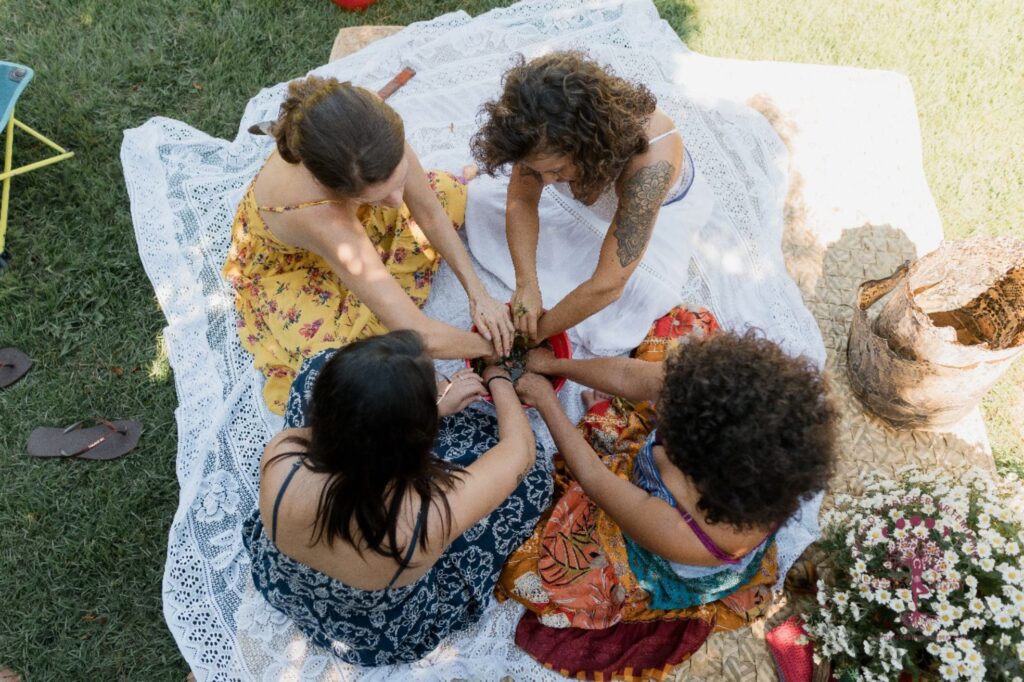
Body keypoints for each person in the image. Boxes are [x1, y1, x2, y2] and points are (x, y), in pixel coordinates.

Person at [242, 331, 552, 666]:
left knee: (319, 364)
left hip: (286, 582)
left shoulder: (282, 456)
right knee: (534, 481)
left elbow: (354, 445)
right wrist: (498, 375)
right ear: (417, 445)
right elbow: (520, 453)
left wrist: (428, 408)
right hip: (378, 629)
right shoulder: (424, 518)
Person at [500, 323, 836, 628]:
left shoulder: (690, 532)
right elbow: (629, 377)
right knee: (677, 333)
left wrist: (547, 401)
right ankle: (604, 418)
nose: (662, 409)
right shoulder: (707, 394)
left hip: (658, 546)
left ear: (702, 474)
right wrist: (553, 365)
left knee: (538, 571)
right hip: (665, 495)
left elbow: (595, 480)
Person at [223, 75, 514, 414]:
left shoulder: (374, 127)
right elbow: (417, 332)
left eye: (399, 181)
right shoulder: (318, 215)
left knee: (446, 194)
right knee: (344, 360)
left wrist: (480, 294)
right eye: (378, 197)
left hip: (348, 228)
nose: (396, 202)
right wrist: (488, 347)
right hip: (294, 267)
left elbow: (431, 212)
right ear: (337, 190)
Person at [466, 51, 715, 354]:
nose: (544, 182)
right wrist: (527, 284)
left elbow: (609, 285)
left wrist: (536, 336)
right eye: (537, 170)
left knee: (629, 311)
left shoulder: (650, 168)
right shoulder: (539, 129)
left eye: (556, 170)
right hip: (593, 203)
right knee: (480, 205)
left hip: (654, 220)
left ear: (589, 146)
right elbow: (520, 199)